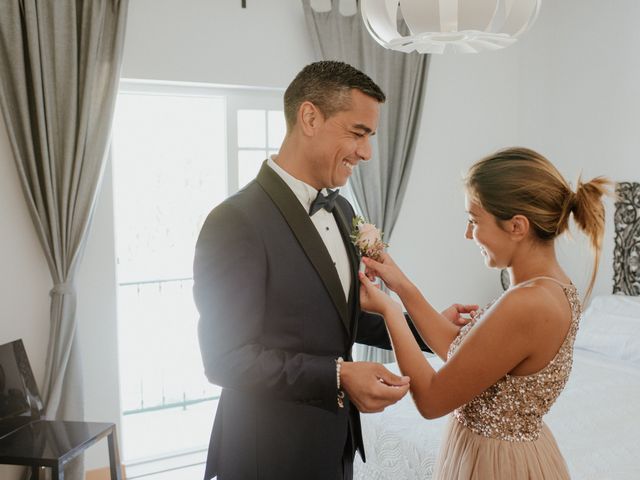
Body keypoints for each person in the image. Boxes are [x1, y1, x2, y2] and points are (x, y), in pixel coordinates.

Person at [193, 60, 475, 480]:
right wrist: (339, 374)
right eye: (358, 133)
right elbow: (225, 359)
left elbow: (340, 318)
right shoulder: (235, 221)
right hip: (266, 450)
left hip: (335, 443)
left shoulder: (342, 210)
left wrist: (424, 326)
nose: (366, 152)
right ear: (310, 117)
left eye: (370, 137)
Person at [359, 147, 611, 479]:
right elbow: (463, 355)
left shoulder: (529, 303)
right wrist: (401, 284)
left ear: (517, 226)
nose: (468, 234)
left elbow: (433, 400)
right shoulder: (548, 287)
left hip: (498, 463)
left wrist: (389, 311)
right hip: (491, 449)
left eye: (474, 221)